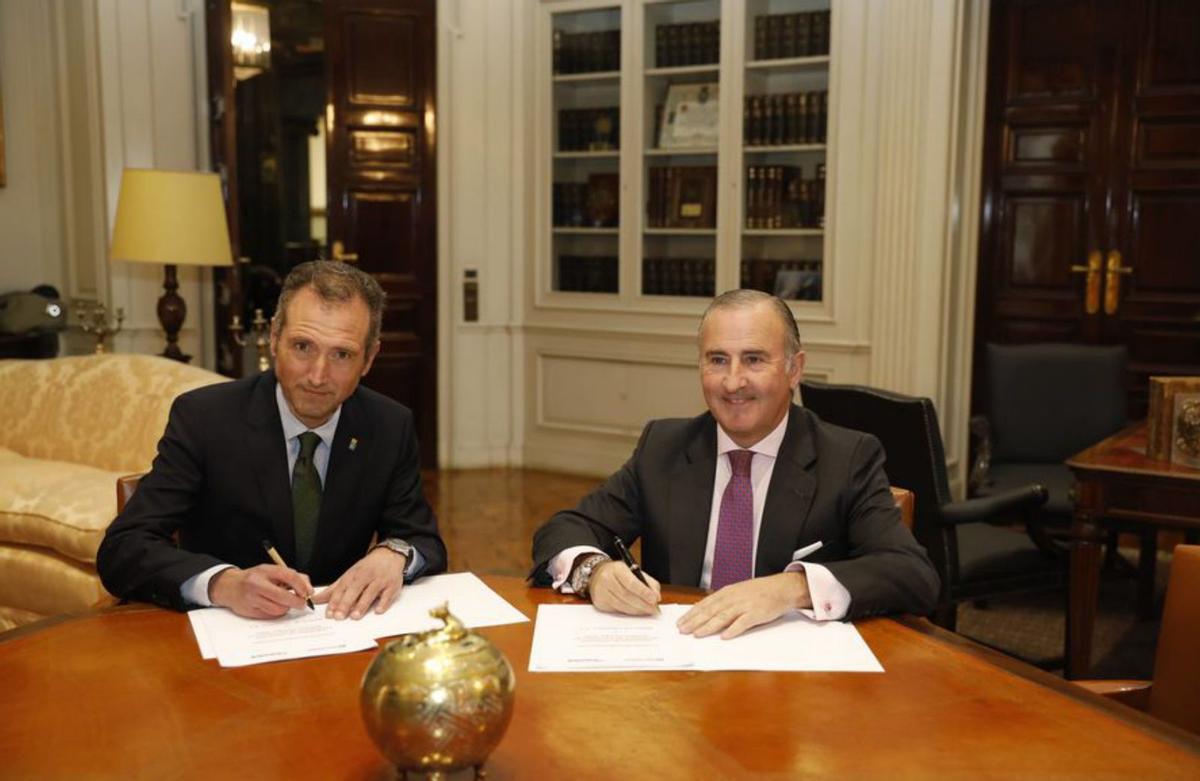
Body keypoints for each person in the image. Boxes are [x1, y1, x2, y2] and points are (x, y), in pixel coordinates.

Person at [531, 289, 938, 638]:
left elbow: (911, 575)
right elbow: (564, 528)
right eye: (718, 360)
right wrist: (594, 572)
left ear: (794, 369)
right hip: (679, 667)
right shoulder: (665, 447)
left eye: (754, 359)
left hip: (794, 683)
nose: (733, 382)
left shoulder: (846, 457)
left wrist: (792, 588)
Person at [98, 261, 446, 620]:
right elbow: (124, 548)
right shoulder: (204, 418)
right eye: (302, 347)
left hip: (335, 635)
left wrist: (395, 554)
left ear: (370, 358)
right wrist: (223, 584)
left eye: (342, 354)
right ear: (275, 337)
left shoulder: (388, 425)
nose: (317, 375)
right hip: (225, 641)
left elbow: (422, 540)